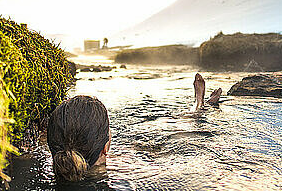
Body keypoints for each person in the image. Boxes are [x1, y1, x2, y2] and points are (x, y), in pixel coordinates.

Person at [46, 74, 221, 181]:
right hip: (131, 162)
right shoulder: (131, 169)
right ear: (106, 147)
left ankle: (197, 107)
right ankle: (198, 107)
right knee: (169, 138)